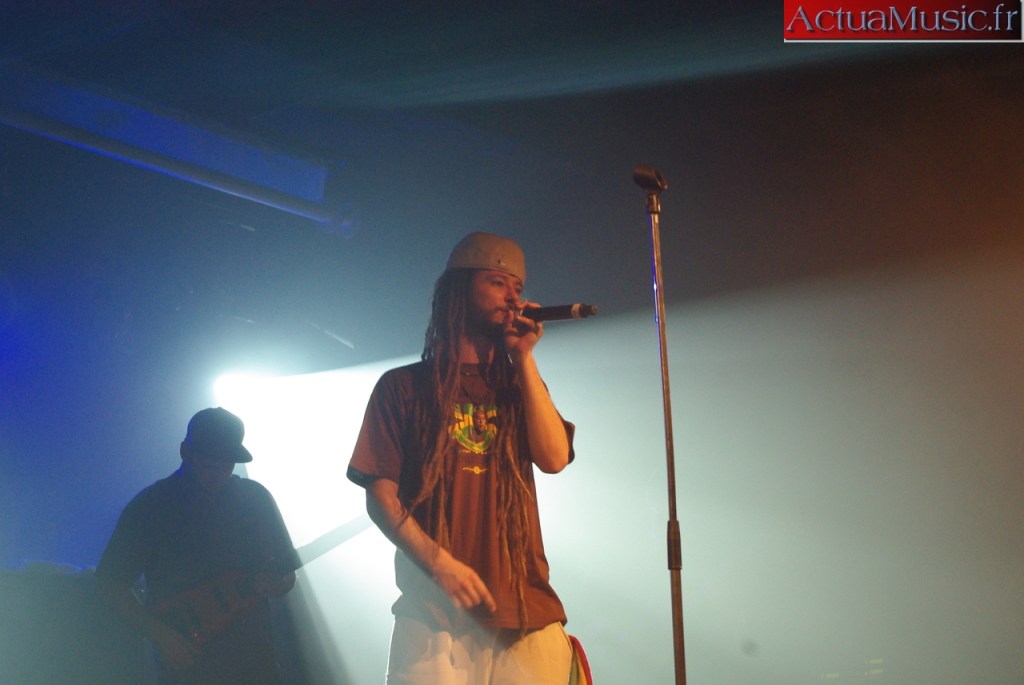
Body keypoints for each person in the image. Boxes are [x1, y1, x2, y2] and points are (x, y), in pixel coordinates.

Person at [348, 231, 576, 684]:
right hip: (433, 615)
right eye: (497, 282)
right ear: (458, 290)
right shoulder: (403, 387)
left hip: (525, 609)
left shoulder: (519, 384)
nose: (512, 297)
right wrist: (440, 564)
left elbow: (554, 458)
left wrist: (523, 360)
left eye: (517, 287)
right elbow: (381, 498)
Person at [96, 407, 300, 685]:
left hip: (254, 663)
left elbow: (287, 575)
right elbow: (109, 583)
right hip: (189, 668)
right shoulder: (150, 507)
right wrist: (162, 637)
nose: (217, 475)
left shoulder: (256, 499)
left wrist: (278, 583)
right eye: (209, 466)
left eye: (226, 466)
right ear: (185, 452)